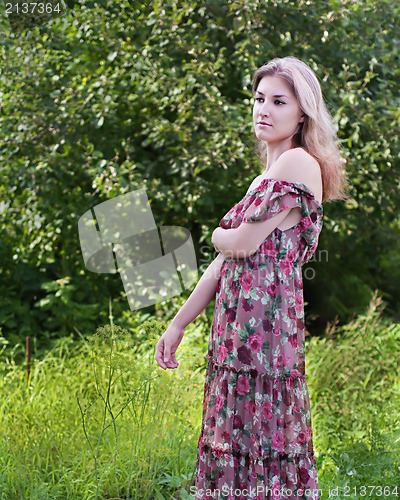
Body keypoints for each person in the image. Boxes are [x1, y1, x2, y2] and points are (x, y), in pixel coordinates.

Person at [155, 56, 347, 500]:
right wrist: (179, 323)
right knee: (237, 433)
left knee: (260, 433)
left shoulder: (298, 163)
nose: (264, 109)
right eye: (259, 98)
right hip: (239, 326)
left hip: (265, 328)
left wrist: (220, 233)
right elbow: (226, 264)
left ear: (303, 112)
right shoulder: (267, 174)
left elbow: (238, 244)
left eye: (279, 101)